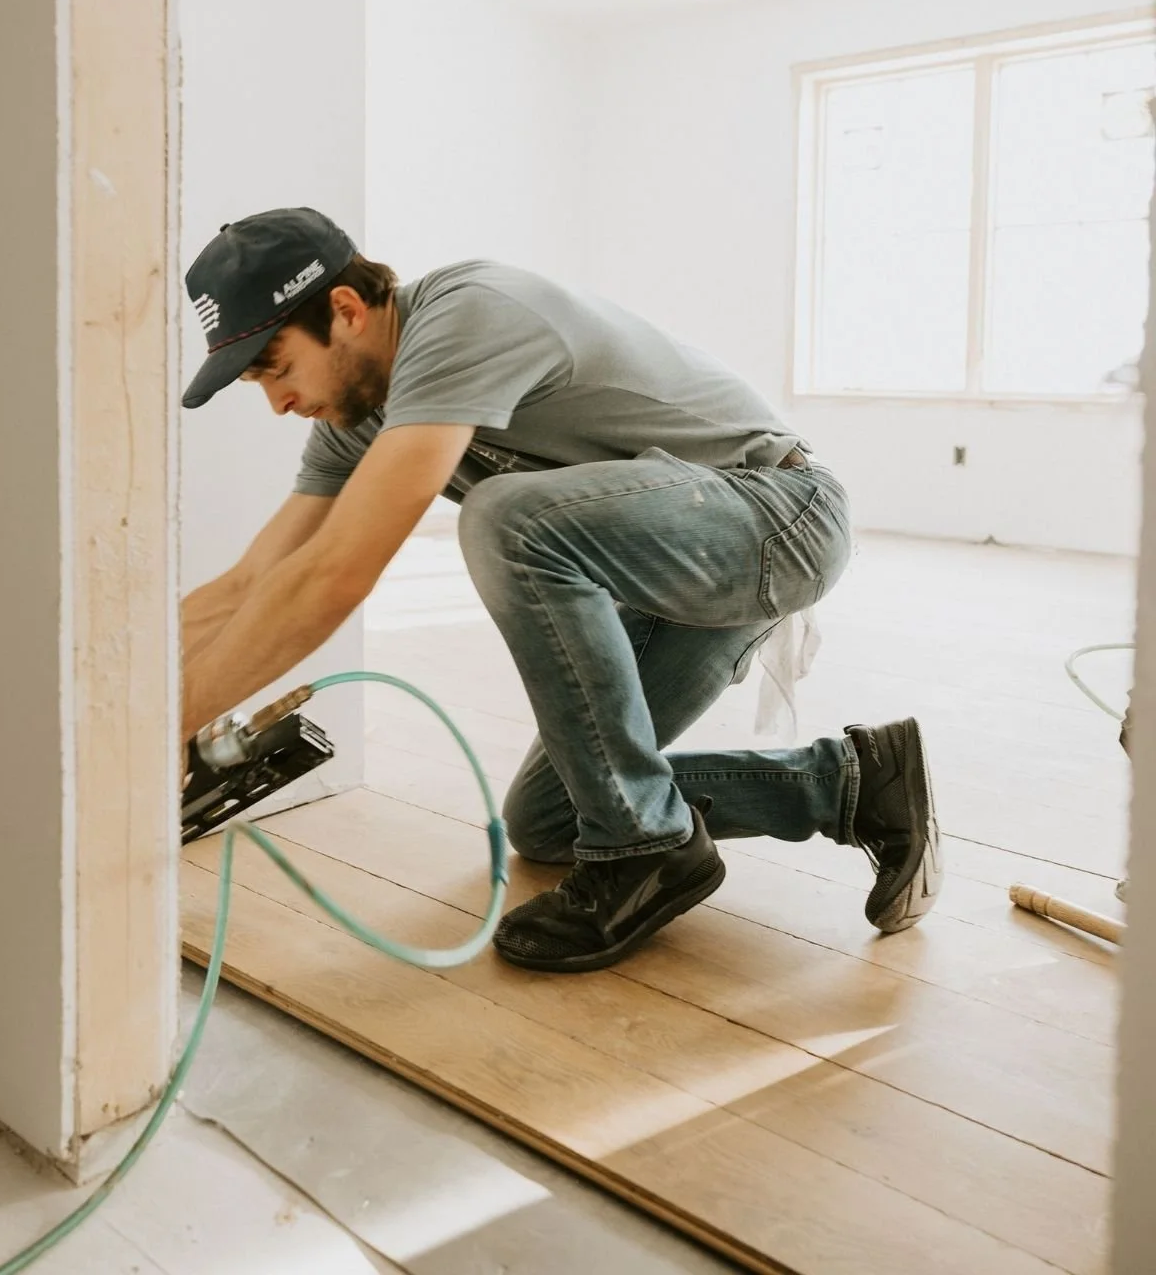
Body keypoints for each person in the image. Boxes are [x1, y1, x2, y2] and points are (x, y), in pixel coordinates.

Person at [181, 207, 942, 974]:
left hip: (775, 518)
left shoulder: (465, 317)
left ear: (344, 311)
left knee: (505, 519)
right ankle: (850, 782)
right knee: (548, 821)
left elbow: (336, 572)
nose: (277, 402)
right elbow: (254, 580)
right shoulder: (358, 417)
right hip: (667, 573)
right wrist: (135, 712)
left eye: (276, 366)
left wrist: (177, 723)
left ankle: (647, 851)